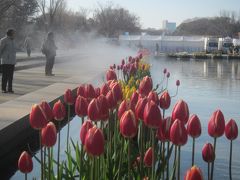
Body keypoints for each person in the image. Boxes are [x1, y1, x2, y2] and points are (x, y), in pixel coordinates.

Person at [0, 29, 16, 93]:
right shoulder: (3, 40)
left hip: (12, 61)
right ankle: (3, 89)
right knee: (5, 76)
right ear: (10, 33)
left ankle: (10, 88)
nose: (15, 34)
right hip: (5, 61)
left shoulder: (13, 41)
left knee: (11, 76)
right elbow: (0, 50)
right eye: (14, 33)